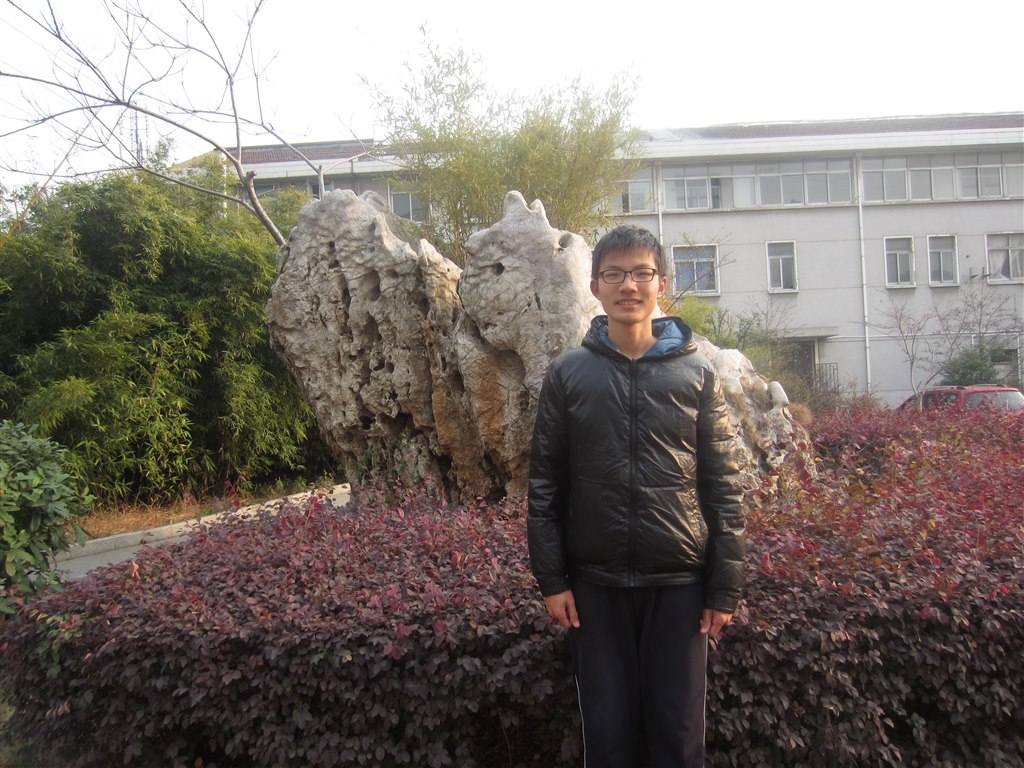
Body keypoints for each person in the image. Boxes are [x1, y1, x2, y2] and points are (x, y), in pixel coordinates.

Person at [527, 225, 746, 767]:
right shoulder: (568, 374)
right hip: (594, 588)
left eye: (642, 273)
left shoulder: (698, 374)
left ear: (661, 284)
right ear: (595, 286)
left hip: (679, 587)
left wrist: (723, 589)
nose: (629, 285)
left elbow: (724, 489)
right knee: (607, 738)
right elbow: (545, 485)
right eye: (615, 274)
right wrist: (553, 581)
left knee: (678, 737)